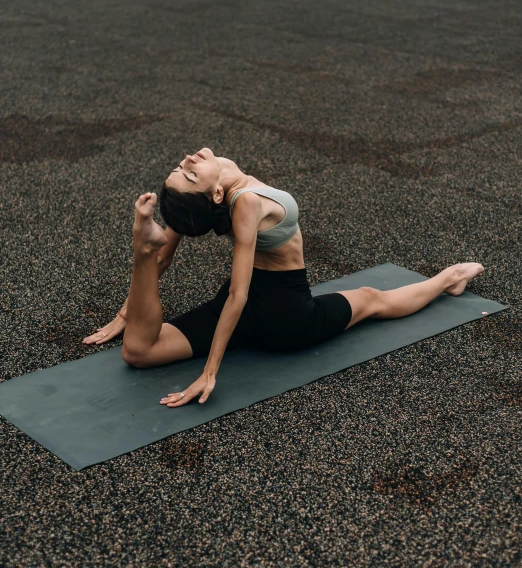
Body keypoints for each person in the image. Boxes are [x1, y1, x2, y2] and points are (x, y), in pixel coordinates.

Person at [83, 147, 484, 408]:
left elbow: (220, 284)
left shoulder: (215, 183)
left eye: (182, 169)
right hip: (284, 314)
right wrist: (207, 370)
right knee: (371, 299)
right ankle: (449, 277)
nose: (186, 162)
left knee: (140, 348)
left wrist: (128, 316)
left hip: (254, 304)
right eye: (185, 174)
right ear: (216, 195)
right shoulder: (243, 202)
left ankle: (449, 277)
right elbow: (233, 291)